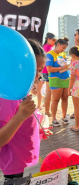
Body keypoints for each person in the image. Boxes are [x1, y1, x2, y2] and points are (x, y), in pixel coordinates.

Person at [0, 39, 46, 179]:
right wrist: (20, 116)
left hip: (26, 164)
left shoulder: (22, 91)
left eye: (40, 70)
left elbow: (22, 125)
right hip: (14, 168)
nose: (38, 76)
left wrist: (38, 131)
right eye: (34, 69)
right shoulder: (7, 97)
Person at [46, 37, 70, 127]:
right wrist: (61, 68)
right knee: (55, 100)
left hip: (65, 79)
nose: (63, 50)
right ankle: (54, 118)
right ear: (58, 44)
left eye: (65, 49)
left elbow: (65, 66)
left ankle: (64, 117)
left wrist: (67, 66)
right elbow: (49, 69)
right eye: (63, 48)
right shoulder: (50, 54)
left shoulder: (62, 55)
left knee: (65, 98)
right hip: (56, 80)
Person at [36, 32, 56, 116]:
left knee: (39, 90)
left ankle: (40, 105)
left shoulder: (50, 47)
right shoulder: (47, 48)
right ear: (48, 39)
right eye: (53, 40)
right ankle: (43, 108)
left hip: (45, 72)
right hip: (45, 72)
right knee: (44, 91)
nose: (54, 41)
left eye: (55, 40)